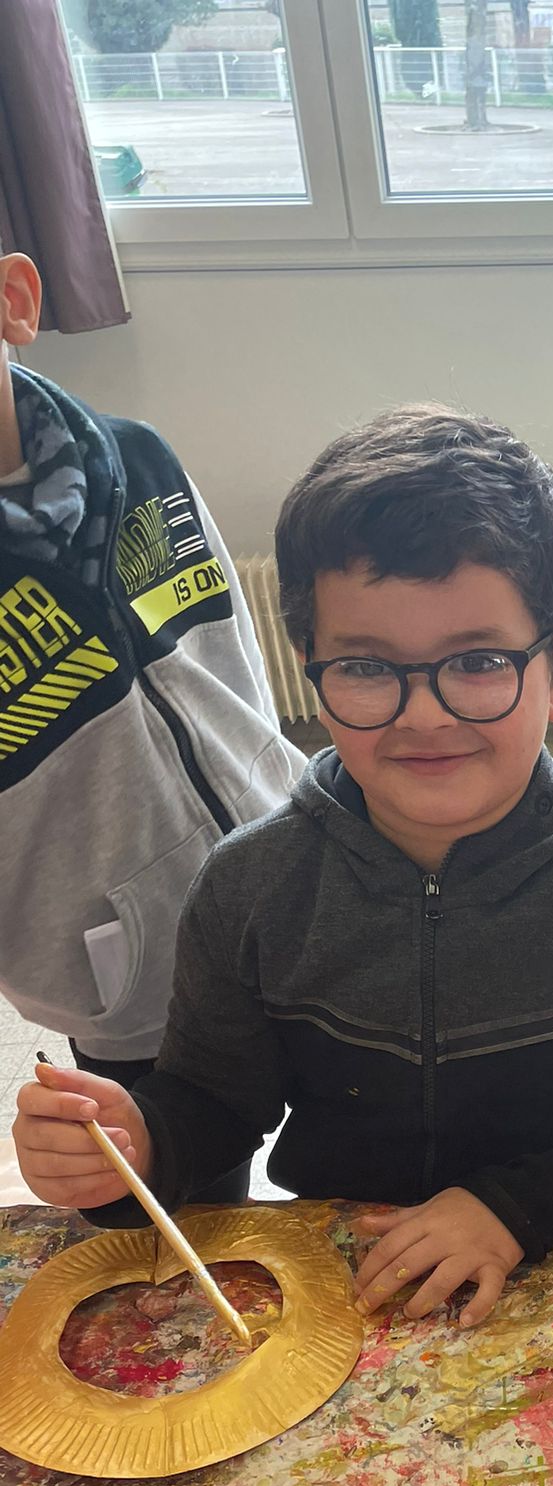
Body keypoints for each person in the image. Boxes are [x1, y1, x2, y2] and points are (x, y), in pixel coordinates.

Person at [13, 405, 553, 1326]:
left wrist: (517, 1206)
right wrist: (139, 1142)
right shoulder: (249, 889)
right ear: (309, 666)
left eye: (477, 661)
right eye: (368, 669)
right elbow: (215, 1101)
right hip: (357, 1291)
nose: (425, 715)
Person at [0, 241, 303, 1207]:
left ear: (14, 299)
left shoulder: (141, 458)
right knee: (181, 1219)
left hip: (305, 886)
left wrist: (286, 797)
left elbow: (231, 660)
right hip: (130, 988)